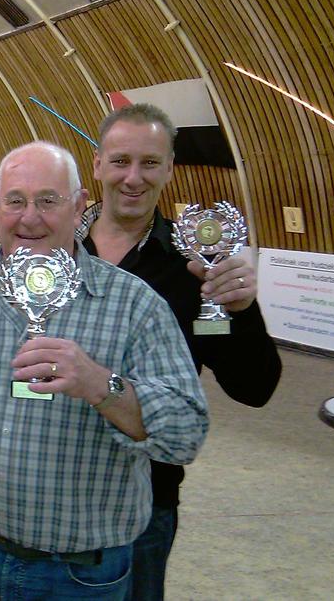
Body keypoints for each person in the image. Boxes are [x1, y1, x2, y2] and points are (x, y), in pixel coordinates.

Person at [0, 142, 209, 600]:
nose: (29, 217)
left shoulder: (135, 305)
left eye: (47, 200)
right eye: (15, 201)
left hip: (81, 576)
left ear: (78, 207)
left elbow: (185, 434)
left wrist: (102, 385)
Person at [80, 103, 282, 600]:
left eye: (150, 163)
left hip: (148, 499)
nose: (133, 177)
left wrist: (240, 310)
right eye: (121, 160)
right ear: (98, 165)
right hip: (53, 484)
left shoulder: (194, 268)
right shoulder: (54, 253)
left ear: (170, 169)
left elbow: (253, 388)